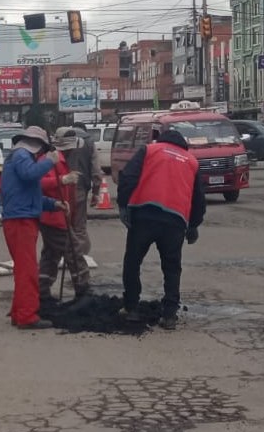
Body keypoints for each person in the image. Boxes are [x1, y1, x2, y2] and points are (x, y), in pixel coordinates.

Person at [116, 129, 206, 330]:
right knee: (172, 267)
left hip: (144, 215)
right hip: (175, 221)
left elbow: (128, 178)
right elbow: (198, 198)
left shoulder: (149, 150)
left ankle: (131, 308)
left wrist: (123, 205)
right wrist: (193, 225)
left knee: (132, 261)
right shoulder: (191, 161)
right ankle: (169, 315)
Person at [0, 126, 67, 330]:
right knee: (28, 270)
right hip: (20, 220)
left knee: (23, 268)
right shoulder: (21, 156)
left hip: (21, 218)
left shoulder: (19, 157)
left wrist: (53, 204)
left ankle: (20, 311)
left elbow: (32, 192)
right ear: (37, 145)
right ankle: (27, 316)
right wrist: (50, 161)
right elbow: (30, 175)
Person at [37, 128, 89, 302]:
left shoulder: (62, 160)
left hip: (57, 216)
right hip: (52, 217)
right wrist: (62, 180)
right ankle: (83, 290)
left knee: (51, 256)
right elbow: (39, 183)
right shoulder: (50, 160)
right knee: (74, 252)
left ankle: (42, 291)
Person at [65, 123, 102, 257]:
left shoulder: (62, 139)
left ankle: (67, 254)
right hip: (80, 187)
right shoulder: (89, 142)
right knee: (79, 225)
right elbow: (96, 170)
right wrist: (96, 193)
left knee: (64, 223)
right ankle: (79, 257)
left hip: (62, 187)